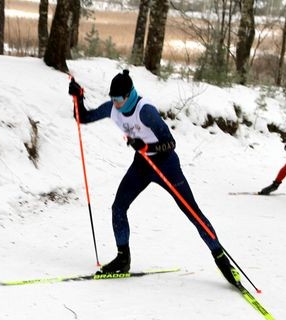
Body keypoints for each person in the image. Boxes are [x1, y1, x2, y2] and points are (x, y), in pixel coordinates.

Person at [68, 70, 239, 286]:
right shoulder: (113, 108)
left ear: (129, 95)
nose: (116, 103)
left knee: (191, 211)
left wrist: (146, 146)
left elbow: (170, 143)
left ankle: (222, 261)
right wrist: (78, 97)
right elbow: (83, 117)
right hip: (142, 165)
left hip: (166, 165)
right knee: (118, 207)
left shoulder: (145, 111)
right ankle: (123, 258)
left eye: (119, 99)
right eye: (113, 98)